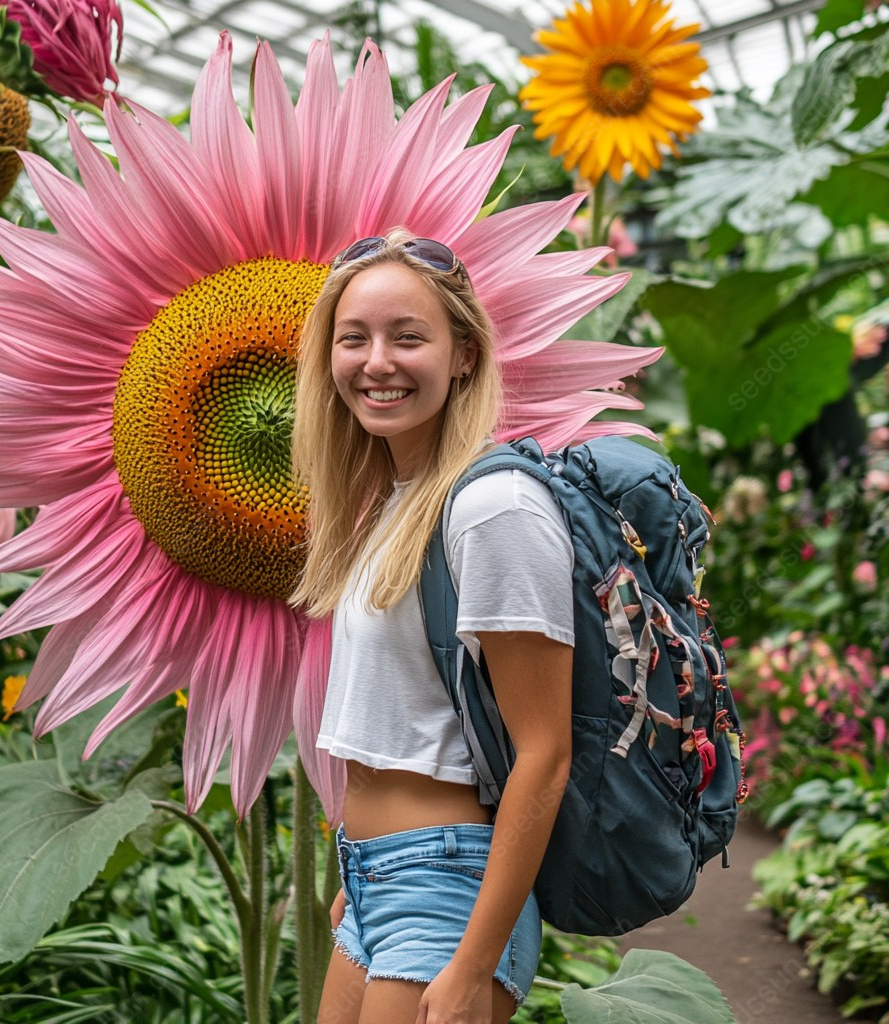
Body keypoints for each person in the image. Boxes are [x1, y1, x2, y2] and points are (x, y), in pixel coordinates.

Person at [291, 229, 575, 1024]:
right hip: (373, 880)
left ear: (464, 356)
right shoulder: (391, 501)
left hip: (447, 891)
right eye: (354, 339)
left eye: (407, 337)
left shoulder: (493, 510)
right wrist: (359, 877)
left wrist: (471, 963)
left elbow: (545, 754)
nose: (376, 362)